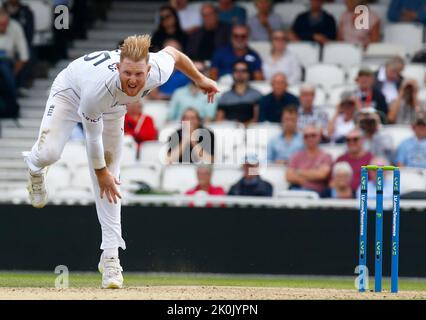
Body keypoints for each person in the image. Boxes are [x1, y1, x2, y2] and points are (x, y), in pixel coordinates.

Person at [22, 35, 218, 289]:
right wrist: (101, 172)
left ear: (148, 70)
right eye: (127, 73)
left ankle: (111, 258)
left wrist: (201, 79)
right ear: (118, 68)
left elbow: (174, 53)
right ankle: (35, 167)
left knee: (112, 183)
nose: (133, 80)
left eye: (139, 74)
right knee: (51, 154)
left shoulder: (158, 69)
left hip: (114, 107)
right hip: (71, 94)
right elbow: (92, 140)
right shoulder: (96, 90)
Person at [286, 125, 333, 195]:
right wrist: (313, 174)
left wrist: (298, 172)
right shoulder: (296, 156)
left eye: (313, 135)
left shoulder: (326, 156)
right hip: (297, 191)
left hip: (317, 193)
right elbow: (288, 176)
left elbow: (322, 175)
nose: (309, 138)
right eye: (306, 136)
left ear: (319, 137)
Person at [0, 8, 28, 118]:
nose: (3, 27)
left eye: (5, 24)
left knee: (4, 69)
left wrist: (13, 73)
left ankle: (11, 106)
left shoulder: (15, 27)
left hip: (7, 62)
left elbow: (23, 56)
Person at [216, 60, 262, 126]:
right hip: (229, 131)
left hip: (251, 131)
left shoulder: (256, 94)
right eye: (236, 70)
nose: (240, 73)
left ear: (248, 73)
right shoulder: (225, 96)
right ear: (232, 73)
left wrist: (244, 126)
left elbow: (257, 118)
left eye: (243, 70)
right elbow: (219, 120)